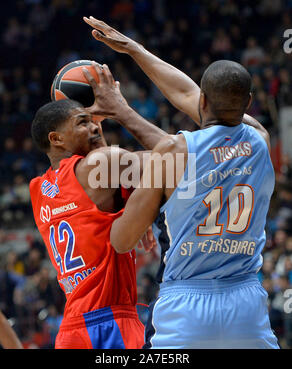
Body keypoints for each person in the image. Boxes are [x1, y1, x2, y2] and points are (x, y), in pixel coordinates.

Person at [84, 16, 280, 349]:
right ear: (248, 103)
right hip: (246, 304)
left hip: (186, 307)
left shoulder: (174, 151)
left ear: (203, 101)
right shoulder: (261, 140)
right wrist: (134, 51)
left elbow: (121, 240)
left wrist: (137, 206)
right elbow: (186, 93)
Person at [29, 63, 165, 349]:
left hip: (71, 331)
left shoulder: (38, 190)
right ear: (56, 139)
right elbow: (175, 161)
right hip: (110, 324)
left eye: (94, 122)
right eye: (83, 122)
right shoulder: (100, 166)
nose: (93, 126)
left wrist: (132, 204)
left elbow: (88, 208)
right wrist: (120, 110)